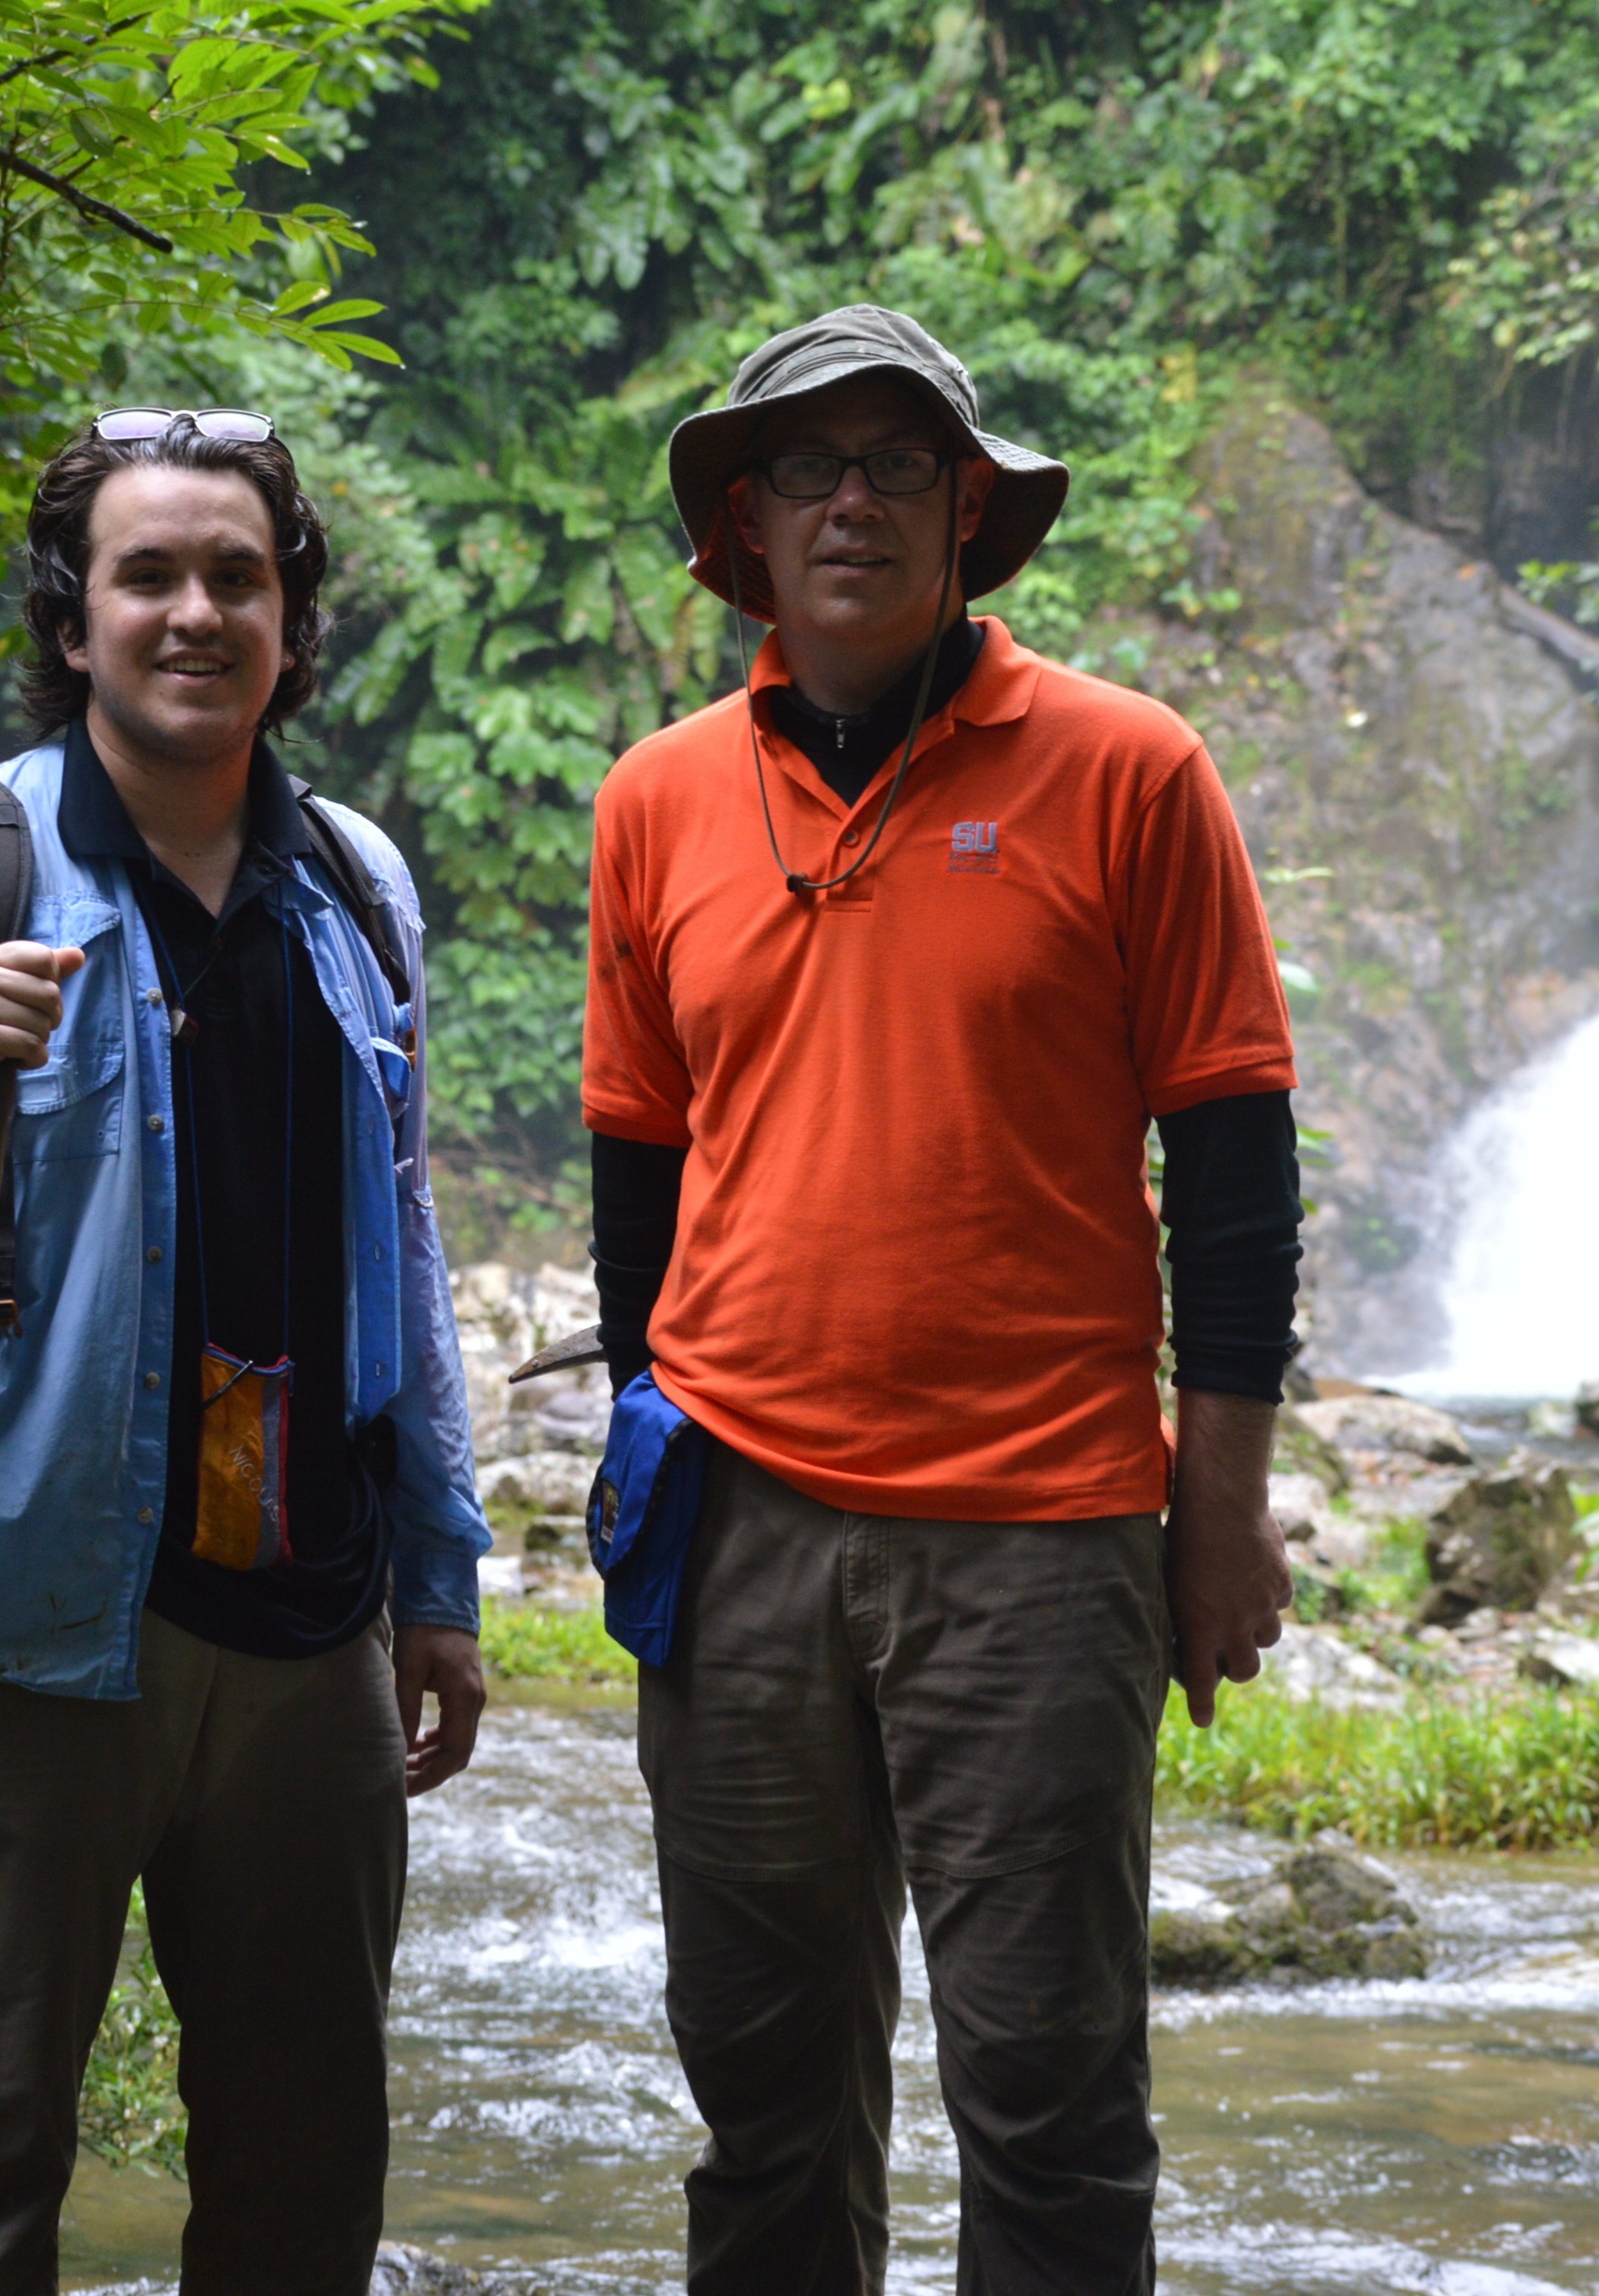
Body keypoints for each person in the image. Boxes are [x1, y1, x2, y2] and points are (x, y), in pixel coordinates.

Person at [0, 408, 489, 2294]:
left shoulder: (358, 889)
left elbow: (404, 1238)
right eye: (149, 574)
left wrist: (439, 1575)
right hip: (17, 1621)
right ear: (76, 622)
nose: (197, 612)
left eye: (240, 576)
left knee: (308, 2184)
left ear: (293, 623)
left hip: (312, 1629)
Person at [582, 305, 1306, 2293]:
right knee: (760, 2110)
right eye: (807, 467)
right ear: (742, 523)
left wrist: (1215, 1513)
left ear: (967, 512)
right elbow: (636, 1179)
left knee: (1054, 2109)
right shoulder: (656, 802)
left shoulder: (1131, 774)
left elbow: (1235, 1175)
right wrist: (647, 1473)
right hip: (736, 1536)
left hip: (1041, 1539)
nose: (851, 501)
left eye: (899, 463)